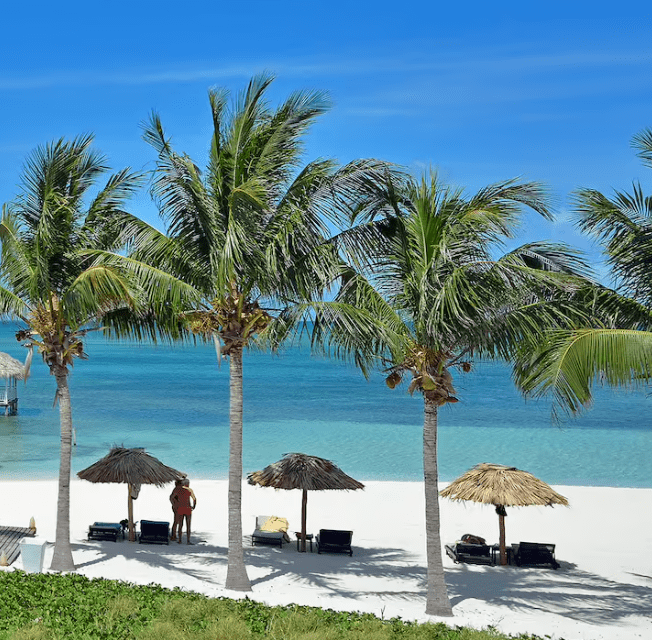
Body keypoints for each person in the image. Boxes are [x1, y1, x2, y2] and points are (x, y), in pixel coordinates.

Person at [175, 478, 197, 544]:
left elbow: (172, 497)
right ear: (188, 484)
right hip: (188, 508)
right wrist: (193, 507)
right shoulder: (189, 490)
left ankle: (180, 540)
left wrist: (176, 504)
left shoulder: (178, 490)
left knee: (180, 525)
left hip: (180, 508)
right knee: (188, 525)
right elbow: (194, 499)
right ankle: (188, 540)